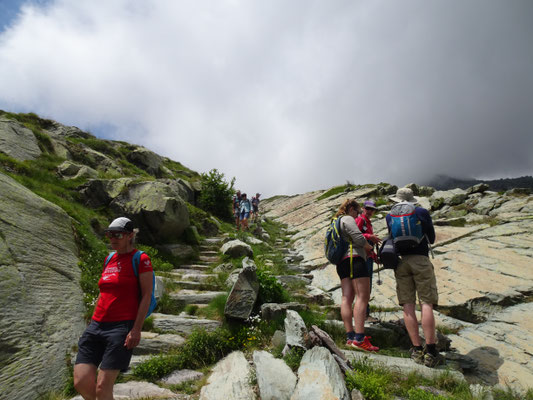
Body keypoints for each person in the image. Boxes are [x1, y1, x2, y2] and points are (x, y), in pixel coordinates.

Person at [74, 217, 154, 400]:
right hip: (96, 325)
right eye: (109, 234)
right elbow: (104, 292)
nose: (112, 238)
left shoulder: (141, 259)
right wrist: (92, 319)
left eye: (118, 234)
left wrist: (136, 329)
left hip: (121, 327)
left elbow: (147, 295)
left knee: (103, 386)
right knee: (81, 381)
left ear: (130, 236)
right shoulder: (109, 259)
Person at [386, 188, 443, 367]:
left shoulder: (389, 216)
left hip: (401, 263)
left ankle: (416, 350)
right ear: (412, 199)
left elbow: (391, 237)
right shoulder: (420, 212)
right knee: (426, 303)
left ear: (397, 199)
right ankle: (431, 351)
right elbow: (431, 238)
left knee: (408, 305)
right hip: (421, 260)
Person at [334, 199, 378, 351]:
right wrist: (369, 248)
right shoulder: (347, 219)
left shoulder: (335, 221)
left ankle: (350, 337)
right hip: (354, 259)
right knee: (362, 296)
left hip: (341, 263)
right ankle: (359, 339)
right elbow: (358, 237)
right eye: (357, 211)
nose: (358, 214)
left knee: (346, 298)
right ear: (351, 208)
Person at [355, 200, 382, 322]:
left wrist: (375, 257)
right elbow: (355, 235)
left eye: (372, 209)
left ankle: (363, 313)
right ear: (363, 208)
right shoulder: (361, 220)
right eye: (368, 209)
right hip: (363, 258)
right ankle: (364, 315)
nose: (370, 211)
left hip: (368, 257)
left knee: (366, 287)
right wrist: (369, 236)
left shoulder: (367, 222)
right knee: (365, 287)